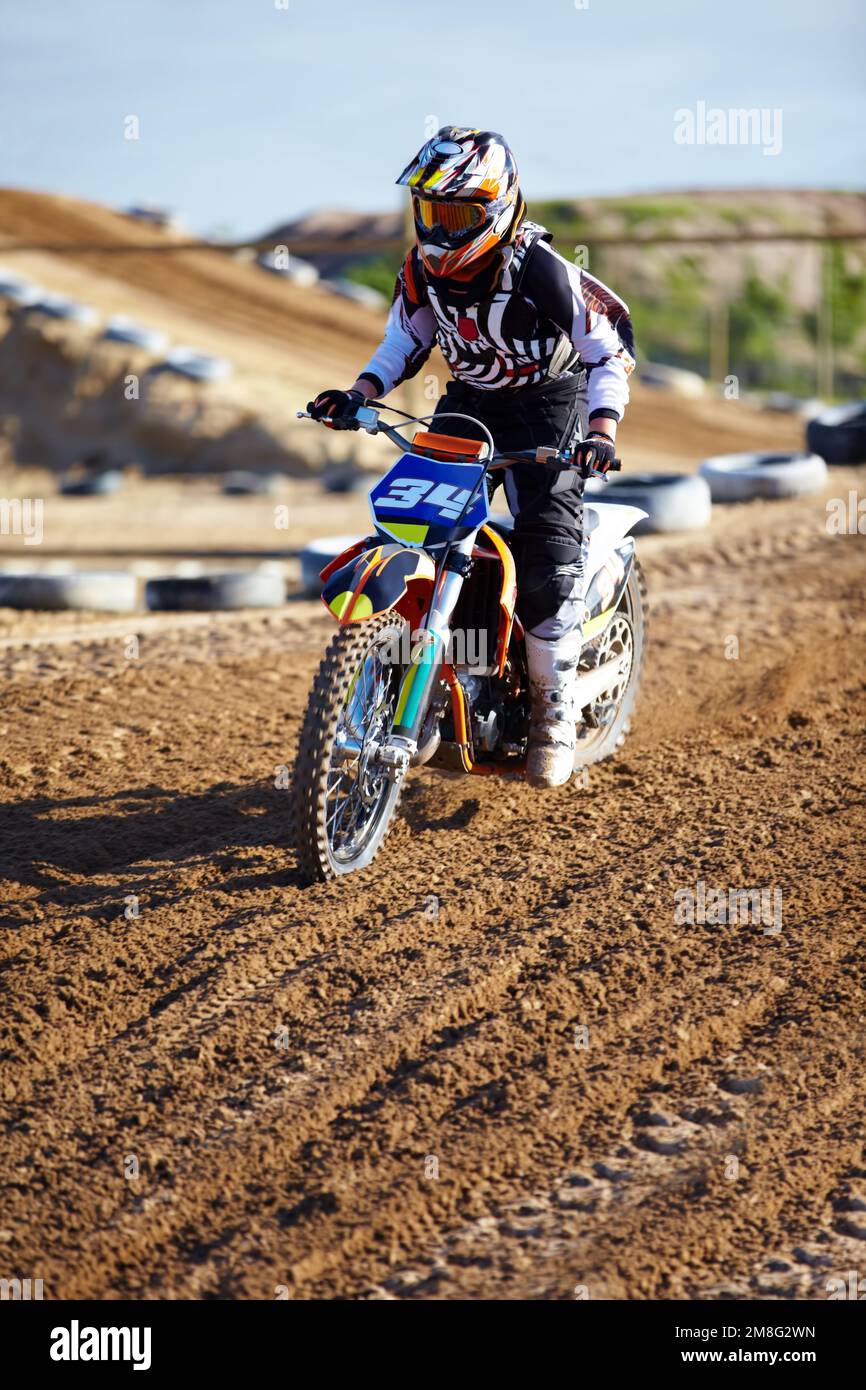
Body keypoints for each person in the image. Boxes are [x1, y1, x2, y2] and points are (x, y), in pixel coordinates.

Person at [308, 126, 636, 788]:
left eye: (455, 214)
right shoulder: (421, 273)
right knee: (417, 530)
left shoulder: (540, 271)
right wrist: (361, 393)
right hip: (471, 401)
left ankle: (551, 710)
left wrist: (600, 431)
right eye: (429, 212)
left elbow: (610, 351)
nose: (437, 229)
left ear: (496, 207)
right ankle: (419, 688)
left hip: (551, 404)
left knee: (547, 552)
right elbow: (403, 340)